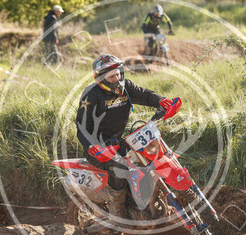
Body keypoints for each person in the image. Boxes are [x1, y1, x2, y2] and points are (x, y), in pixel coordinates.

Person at [76, 54, 181, 221]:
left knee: (147, 155)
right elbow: (82, 127)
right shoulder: (91, 94)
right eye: (111, 77)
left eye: (118, 74)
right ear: (101, 79)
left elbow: (145, 95)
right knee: (119, 167)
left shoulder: (126, 86)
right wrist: (93, 146)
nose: (116, 79)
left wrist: (161, 101)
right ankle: (117, 212)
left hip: (117, 142)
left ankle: (147, 199)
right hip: (97, 148)